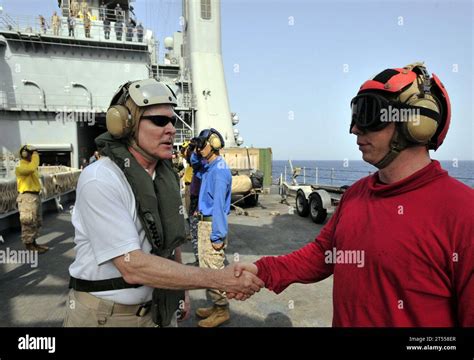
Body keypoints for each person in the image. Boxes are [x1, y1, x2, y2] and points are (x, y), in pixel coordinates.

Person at [232, 62, 474, 327]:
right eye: (355, 116)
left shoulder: (464, 213)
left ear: (419, 124)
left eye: (369, 115)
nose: (355, 129)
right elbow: (323, 254)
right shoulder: (356, 195)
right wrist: (263, 270)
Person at [64, 79, 263, 328]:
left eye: (173, 120)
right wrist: (221, 278)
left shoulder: (162, 176)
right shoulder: (101, 178)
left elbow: (169, 243)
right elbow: (132, 266)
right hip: (108, 316)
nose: (170, 128)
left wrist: (181, 294)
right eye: (159, 120)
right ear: (124, 124)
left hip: (159, 308)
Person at [193, 128, 232, 327]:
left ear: (214, 145)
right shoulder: (210, 166)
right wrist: (194, 148)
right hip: (205, 223)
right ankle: (216, 306)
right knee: (207, 270)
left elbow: (218, 207)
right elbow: (194, 165)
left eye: (203, 145)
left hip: (211, 226)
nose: (200, 150)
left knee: (214, 271)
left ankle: (222, 309)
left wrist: (217, 236)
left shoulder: (218, 172)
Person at [15, 145, 49, 254]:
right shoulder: (20, 166)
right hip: (26, 197)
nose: (34, 156)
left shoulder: (30, 165)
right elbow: (31, 168)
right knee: (28, 221)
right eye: (32, 153)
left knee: (35, 221)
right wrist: (35, 156)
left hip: (34, 196)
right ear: (25, 154)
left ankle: (34, 243)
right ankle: (29, 246)